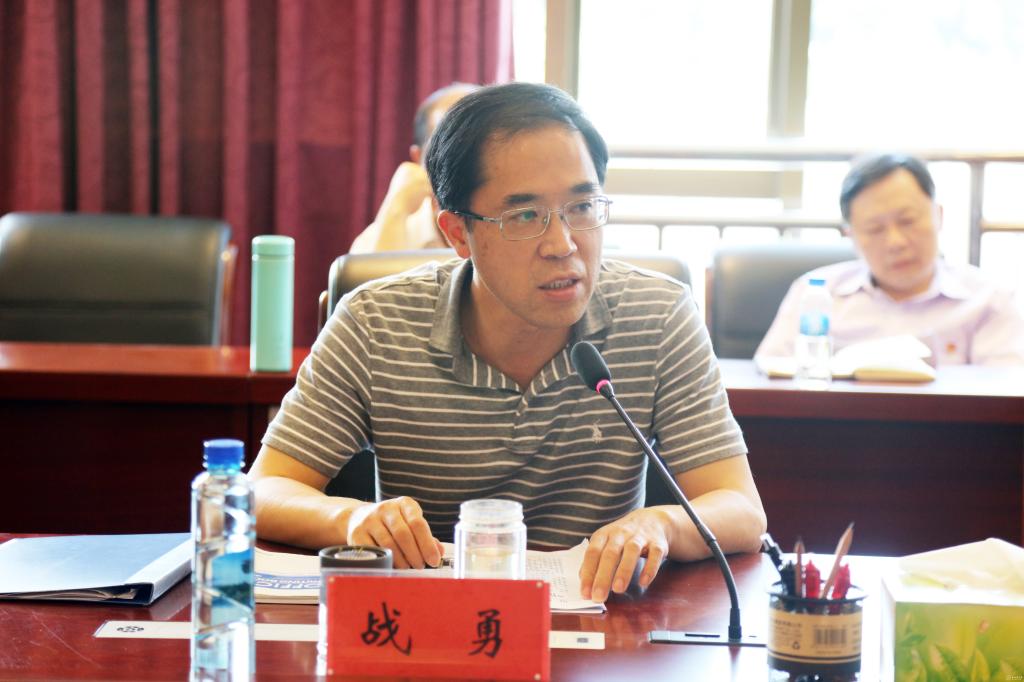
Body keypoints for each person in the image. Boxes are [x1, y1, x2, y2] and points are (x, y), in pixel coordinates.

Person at [249, 82, 766, 603]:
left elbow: (740, 508)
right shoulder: (375, 322)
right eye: (525, 216)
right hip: (431, 620)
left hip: (600, 624)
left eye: (583, 207)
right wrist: (351, 518)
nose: (563, 244)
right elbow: (263, 489)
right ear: (457, 233)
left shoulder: (657, 314)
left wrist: (662, 524)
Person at [756, 153, 1024, 366]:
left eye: (907, 221)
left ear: (938, 216)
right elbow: (769, 379)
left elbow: (1005, 399)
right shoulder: (816, 293)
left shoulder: (988, 300)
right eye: (875, 229)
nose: (896, 242)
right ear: (851, 235)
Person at [348, 82, 480, 253]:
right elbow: (367, 270)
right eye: (450, 152)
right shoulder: (384, 234)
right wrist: (397, 206)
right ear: (418, 159)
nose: (465, 166)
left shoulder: (507, 224)